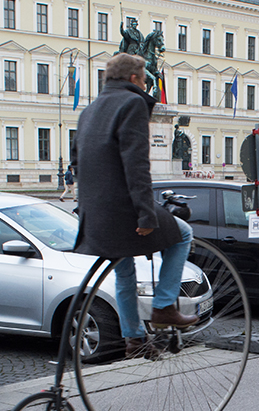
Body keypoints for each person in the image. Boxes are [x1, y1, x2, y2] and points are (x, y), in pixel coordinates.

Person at [75, 52, 195, 358]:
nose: (146, 87)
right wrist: (146, 214)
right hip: (123, 211)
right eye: (144, 80)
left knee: (124, 271)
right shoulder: (132, 103)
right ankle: (164, 306)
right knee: (182, 235)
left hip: (96, 217)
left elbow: (78, 163)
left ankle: (134, 338)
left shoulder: (88, 111)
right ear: (133, 79)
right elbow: (136, 164)